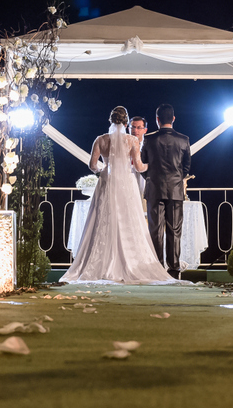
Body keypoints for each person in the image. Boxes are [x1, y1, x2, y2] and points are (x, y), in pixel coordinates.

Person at [61, 106, 177, 284]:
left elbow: (93, 166)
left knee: (103, 220)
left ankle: (101, 263)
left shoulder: (100, 140)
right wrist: (152, 165)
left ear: (110, 120)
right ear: (126, 122)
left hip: (107, 183)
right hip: (126, 185)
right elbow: (139, 167)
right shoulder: (132, 141)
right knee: (128, 221)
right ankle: (130, 263)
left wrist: (106, 169)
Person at [141, 103, 192, 279]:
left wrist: (152, 177)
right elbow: (186, 167)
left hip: (154, 189)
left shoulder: (148, 139)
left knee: (155, 230)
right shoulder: (183, 139)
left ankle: (157, 267)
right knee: (175, 230)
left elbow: (142, 165)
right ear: (173, 119)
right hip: (176, 190)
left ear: (157, 120)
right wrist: (177, 178)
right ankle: (174, 268)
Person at [129, 115, 147, 205]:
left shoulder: (149, 146)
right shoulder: (122, 144)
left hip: (143, 181)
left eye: (139, 128)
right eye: (133, 127)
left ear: (145, 130)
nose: (135, 130)